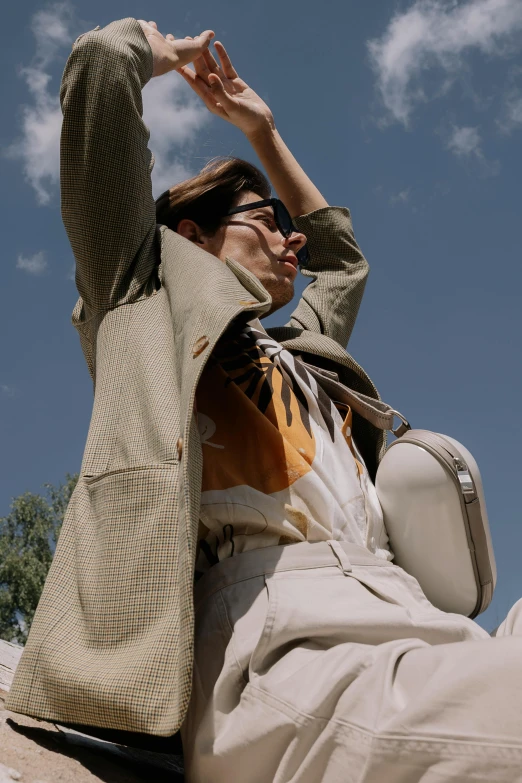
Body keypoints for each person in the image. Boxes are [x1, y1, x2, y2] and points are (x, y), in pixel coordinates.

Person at [6, 15, 522, 783]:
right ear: (194, 233)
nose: (292, 241)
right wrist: (163, 50)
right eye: (269, 221)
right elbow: (98, 71)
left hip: (411, 615)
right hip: (276, 640)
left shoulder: (302, 351)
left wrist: (265, 131)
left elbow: (342, 266)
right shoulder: (140, 296)